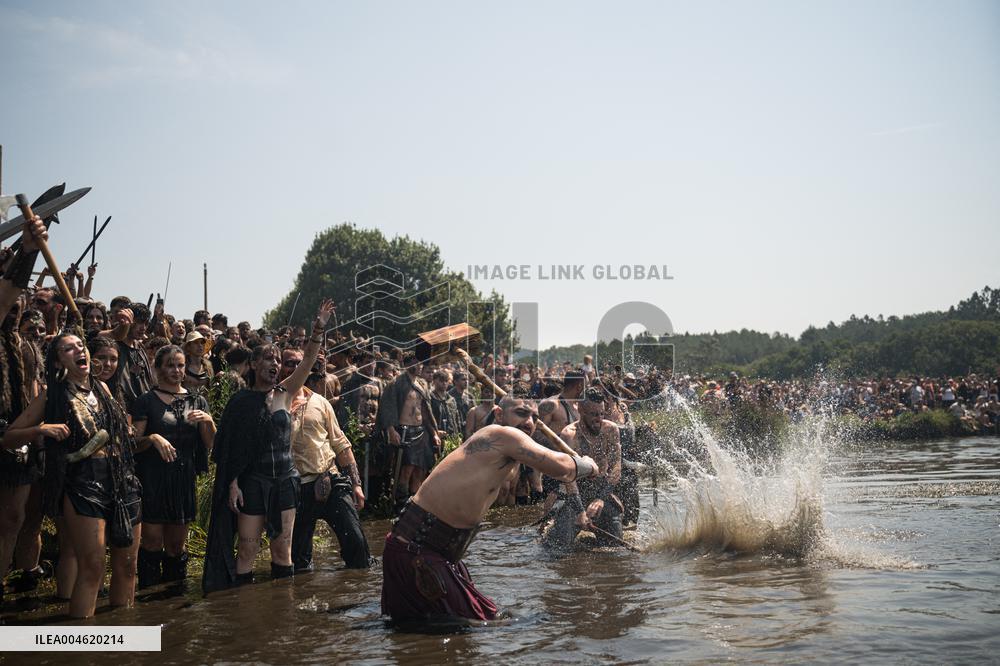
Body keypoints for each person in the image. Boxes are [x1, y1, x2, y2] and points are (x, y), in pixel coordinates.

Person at [381, 394, 598, 623]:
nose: (529, 423)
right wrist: (588, 465)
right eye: (521, 413)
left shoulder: (502, 446)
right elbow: (561, 467)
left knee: (428, 627)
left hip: (431, 550)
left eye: (534, 417)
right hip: (417, 550)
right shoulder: (501, 434)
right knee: (476, 625)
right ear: (498, 414)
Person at [5, 332, 142, 618]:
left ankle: (125, 642)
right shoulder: (52, 395)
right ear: (58, 360)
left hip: (121, 479)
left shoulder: (103, 388)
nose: (78, 350)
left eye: (80, 345)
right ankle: (82, 647)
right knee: (92, 567)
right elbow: (8, 438)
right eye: (68, 348)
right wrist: (40, 430)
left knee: (127, 564)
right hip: (83, 482)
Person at [202, 299, 333, 592]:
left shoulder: (285, 394)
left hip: (285, 482)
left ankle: (280, 615)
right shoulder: (240, 402)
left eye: (277, 360)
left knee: (282, 552)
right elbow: (230, 451)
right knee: (247, 552)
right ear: (253, 364)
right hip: (253, 483)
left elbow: (309, 360)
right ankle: (242, 612)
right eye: (268, 359)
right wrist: (233, 484)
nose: (274, 364)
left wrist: (318, 329)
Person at [281, 347, 372, 571]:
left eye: (298, 364)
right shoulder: (272, 403)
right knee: (299, 562)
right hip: (295, 489)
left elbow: (341, 445)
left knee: (358, 546)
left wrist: (357, 485)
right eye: (289, 363)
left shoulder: (320, 402)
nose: (294, 368)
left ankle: (358, 599)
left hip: (330, 480)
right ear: (281, 366)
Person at [131, 345, 215, 587]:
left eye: (180, 365)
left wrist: (208, 420)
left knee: (177, 546)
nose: (176, 370)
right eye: (170, 365)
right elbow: (133, 443)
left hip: (183, 478)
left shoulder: (197, 400)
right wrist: (153, 438)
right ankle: (148, 599)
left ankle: (174, 601)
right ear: (158, 369)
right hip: (152, 479)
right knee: (152, 542)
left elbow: (210, 444)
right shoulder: (145, 401)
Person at [544, 388, 623, 550]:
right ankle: (553, 527)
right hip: (573, 493)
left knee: (614, 547)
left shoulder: (611, 429)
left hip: (601, 491)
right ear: (581, 410)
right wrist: (580, 511)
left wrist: (601, 498)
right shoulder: (569, 436)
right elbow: (568, 477)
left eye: (602, 414)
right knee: (557, 548)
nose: (599, 419)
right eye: (594, 414)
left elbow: (616, 467)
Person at [377, 354, 440, 509]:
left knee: (420, 470)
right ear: (407, 364)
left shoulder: (422, 384)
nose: (419, 366)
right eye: (416, 363)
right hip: (404, 431)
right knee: (406, 470)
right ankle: (401, 505)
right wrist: (392, 431)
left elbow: (426, 412)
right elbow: (387, 408)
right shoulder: (396, 383)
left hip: (421, 431)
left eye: (420, 364)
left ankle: (415, 505)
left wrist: (434, 433)